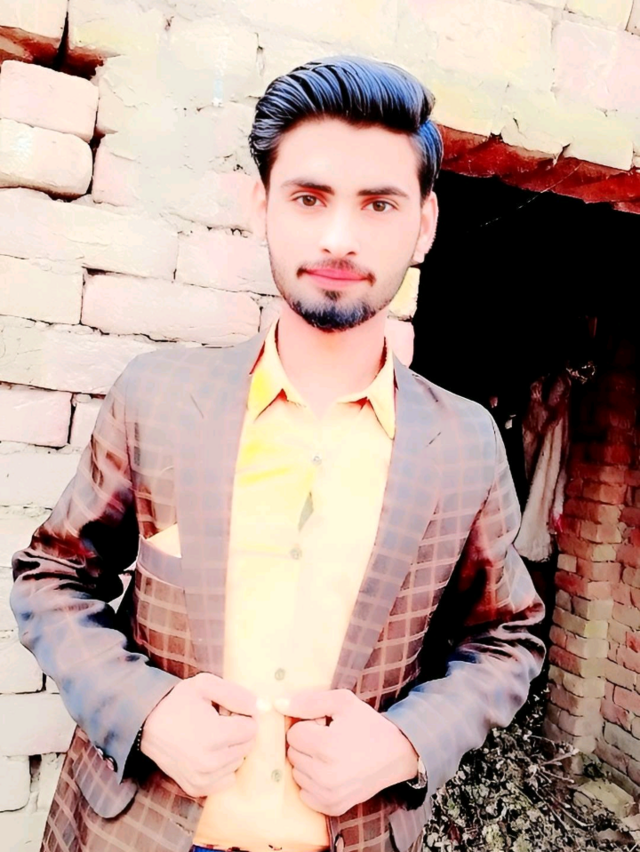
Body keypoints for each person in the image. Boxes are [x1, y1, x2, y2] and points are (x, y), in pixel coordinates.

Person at [10, 55, 546, 852]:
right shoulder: (158, 398)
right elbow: (52, 576)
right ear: (261, 203)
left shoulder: (465, 443)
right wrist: (145, 710)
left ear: (425, 222)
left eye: (379, 204)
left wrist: (404, 743)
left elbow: (507, 639)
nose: (339, 237)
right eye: (308, 197)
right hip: (133, 830)